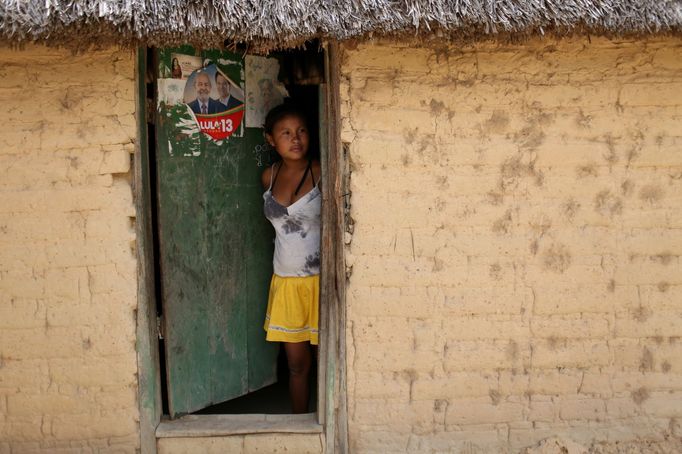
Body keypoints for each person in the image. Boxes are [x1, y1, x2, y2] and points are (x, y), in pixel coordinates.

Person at [261, 104, 320, 414]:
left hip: (322, 283)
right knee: (297, 365)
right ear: (271, 140)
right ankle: (301, 428)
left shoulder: (321, 171)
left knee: (331, 361)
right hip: (285, 284)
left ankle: (333, 428)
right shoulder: (268, 177)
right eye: (286, 133)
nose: (295, 139)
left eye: (301, 131)